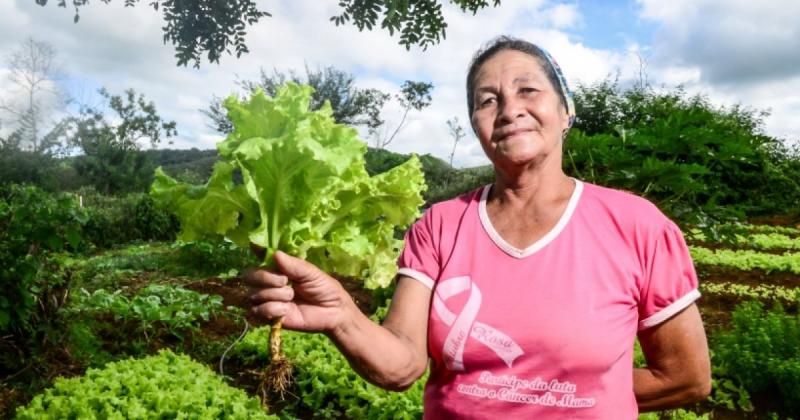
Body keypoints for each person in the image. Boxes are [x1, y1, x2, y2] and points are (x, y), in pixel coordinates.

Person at [246, 36, 711, 418]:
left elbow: (686, 378)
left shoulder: (636, 225)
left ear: (566, 111)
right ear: (476, 125)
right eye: (487, 101)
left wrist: (574, 401)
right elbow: (401, 366)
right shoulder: (440, 226)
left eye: (528, 91)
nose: (509, 109)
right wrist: (340, 316)